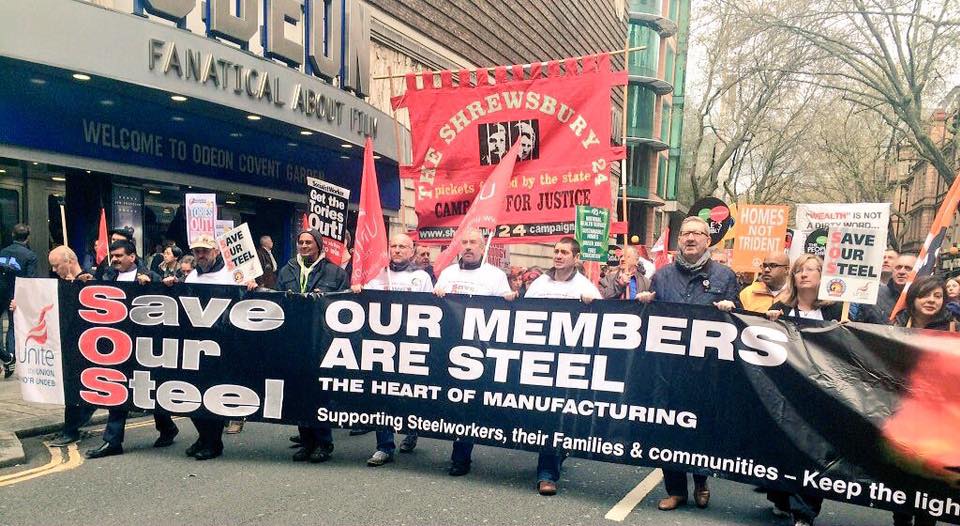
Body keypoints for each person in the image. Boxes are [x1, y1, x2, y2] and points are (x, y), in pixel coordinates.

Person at [637, 216, 741, 512]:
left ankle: (701, 479)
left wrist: (730, 310)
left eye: (698, 233)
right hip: (667, 371)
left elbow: (740, 323)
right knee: (667, 427)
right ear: (678, 240)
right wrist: (643, 303)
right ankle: (676, 490)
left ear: (709, 240)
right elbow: (648, 322)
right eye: (685, 234)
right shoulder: (662, 276)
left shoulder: (725, 276)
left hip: (706, 371)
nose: (691, 238)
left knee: (702, 427)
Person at [764, 254, 840, 526]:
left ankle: (804, 512)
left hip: (822, 393)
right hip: (788, 392)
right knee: (785, 450)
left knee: (813, 452)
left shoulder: (836, 310)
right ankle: (781, 498)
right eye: (799, 271)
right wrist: (769, 321)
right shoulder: (780, 308)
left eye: (811, 270)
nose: (804, 275)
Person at [164, 234, 256, 460]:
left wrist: (251, 285)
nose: (201, 255)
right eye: (197, 251)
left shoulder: (232, 273)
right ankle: (203, 437)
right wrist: (173, 286)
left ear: (216, 251)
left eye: (205, 250)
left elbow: (247, 299)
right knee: (192, 394)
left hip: (223, 343)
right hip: (196, 344)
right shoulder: (193, 274)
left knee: (212, 394)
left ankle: (213, 443)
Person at [85, 240, 179, 459]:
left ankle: (167, 428)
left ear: (132, 257)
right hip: (116, 343)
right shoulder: (108, 275)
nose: (115, 259)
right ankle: (112, 441)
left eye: (119, 255)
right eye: (113, 256)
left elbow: (168, 300)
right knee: (118, 390)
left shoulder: (150, 276)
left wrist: (155, 283)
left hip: (145, 344)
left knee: (149, 389)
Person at [523, 237, 601, 496]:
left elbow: (601, 323)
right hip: (537, 359)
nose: (558, 256)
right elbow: (522, 314)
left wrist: (593, 306)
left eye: (564, 252)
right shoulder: (539, 283)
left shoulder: (585, 286)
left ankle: (547, 474)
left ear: (576, 258)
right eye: (556, 251)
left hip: (567, 364)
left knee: (554, 417)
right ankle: (556, 451)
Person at [434, 228, 515, 476]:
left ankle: (468, 451)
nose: (468, 246)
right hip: (449, 347)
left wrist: (510, 299)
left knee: (472, 402)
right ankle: (454, 452)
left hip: (479, 352)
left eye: (473, 243)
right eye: (464, 242)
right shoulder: (447, 273)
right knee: (454, 400)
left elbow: (504, 311)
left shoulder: (495, 275)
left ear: (483, 248)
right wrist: (436, 296)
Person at [351, 233, 432, 466]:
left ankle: (411, 430)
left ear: (411, 250)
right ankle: (384, 446)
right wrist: (358, 290)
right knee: (382, 394)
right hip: (382, 344)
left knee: (409, 393)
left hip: (412, 345)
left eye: (402, 246)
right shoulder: (375, 275)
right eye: (393, 246)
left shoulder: (421, 277)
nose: (397, 250)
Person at [277, 229, 349, 463]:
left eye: (309, 242)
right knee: (298, 392)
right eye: (301, 242)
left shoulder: (335, 272)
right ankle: (306, 441)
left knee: (319, 393)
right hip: (293, 341)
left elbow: (346, 305)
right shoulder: (286, 270)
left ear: (318, 246)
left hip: (322, 342)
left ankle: (323, 443)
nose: (304, 246)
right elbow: (277, 301)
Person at [890, 275, 948, 526]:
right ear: (913, 298)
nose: (932, 301)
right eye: (926, 295)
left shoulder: (953, 328)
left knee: (931, 479)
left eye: (938, 296)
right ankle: (901, 521)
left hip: (939, 418)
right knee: (902, 475)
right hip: (902, 412)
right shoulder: (893, 325)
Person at [41, 247, 98, 447]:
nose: (54, 270)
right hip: (68, 342)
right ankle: (72, 426)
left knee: (75, 387)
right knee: (72, 387)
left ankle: (71, 430)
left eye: (57, 265)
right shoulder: (62, 283)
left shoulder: (90, 281)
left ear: (70, 260)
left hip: (87, 344)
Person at [0, 224, 39, 378]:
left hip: (1, 291)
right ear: (28, 237)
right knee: (12, 326)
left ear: (12, 234)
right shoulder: (30, 256)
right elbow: (30, 279)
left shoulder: (2, 251)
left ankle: (6, 356)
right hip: (15, 294)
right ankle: (10, 355)